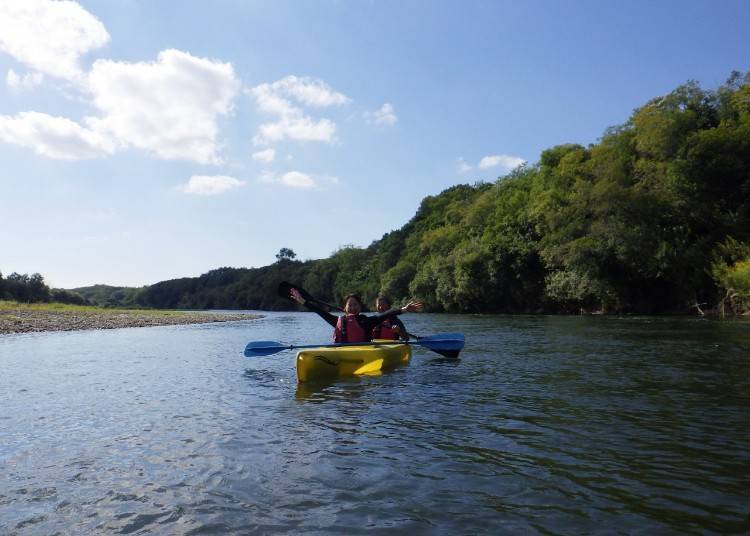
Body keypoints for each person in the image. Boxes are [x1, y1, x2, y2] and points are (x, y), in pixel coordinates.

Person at [289, 288, 422, 343]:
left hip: (364, 353)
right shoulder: (338, 320)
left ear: (360, 307)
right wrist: (303, 301)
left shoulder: (367, 321)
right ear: (345, 308)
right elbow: (320, 311)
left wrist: (404, 309)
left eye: (355, 305)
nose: (352, 307)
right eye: (350, 305)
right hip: (341, 353)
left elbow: (386, 314)